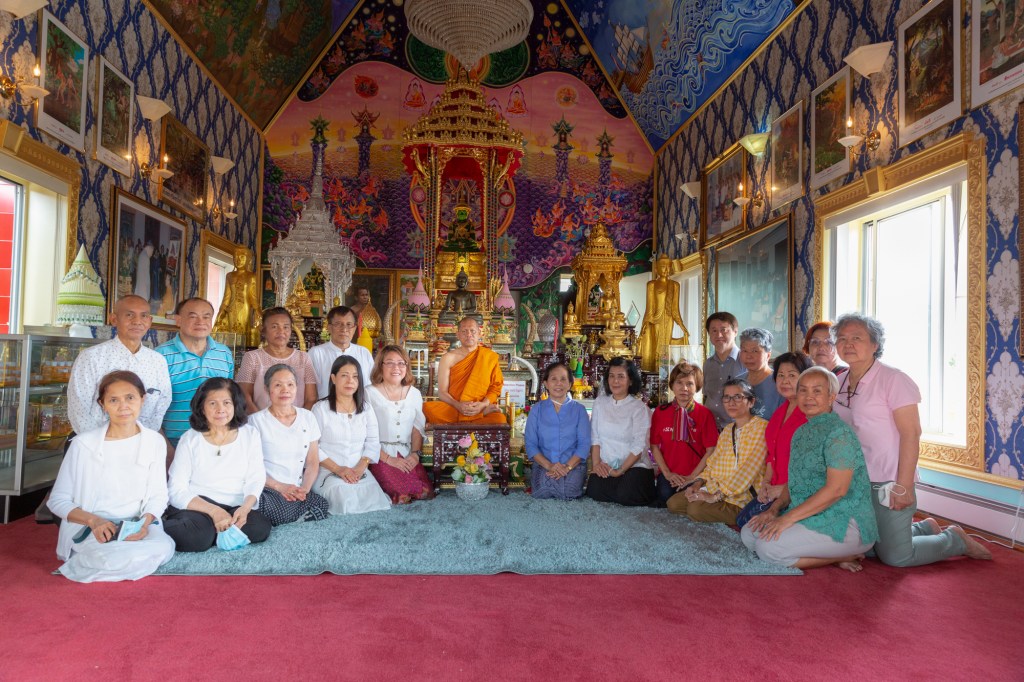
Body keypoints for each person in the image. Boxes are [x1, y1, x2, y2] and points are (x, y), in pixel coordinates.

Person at [832, 313, 991, 565]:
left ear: (875, 344)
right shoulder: (838, 381)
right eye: (842, 338)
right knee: (865, 546)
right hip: (853, 477)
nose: (848, 344)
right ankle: (924, 529)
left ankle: (954, 539)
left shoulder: (894, 379)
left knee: (896, 557)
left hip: (887, 477)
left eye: (857, 338)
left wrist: (904, 485)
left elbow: (911, 433)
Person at [741, 367, 879, 571]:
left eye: (817, 391)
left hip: (845, 521)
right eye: (803, 390)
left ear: (831, 396)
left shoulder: (839, 434)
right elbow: (794, 481)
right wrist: (774, 510)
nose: (808, 397)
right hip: (809, 513)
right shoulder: (801, 431)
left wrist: (786, 519)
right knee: (749, 534)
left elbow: (837, 490)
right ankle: (834, 555)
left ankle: (846, 554)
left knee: (767, 549)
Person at [47, 371, 175, 582]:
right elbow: (57, 501)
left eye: (130, 398)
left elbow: (158, 496)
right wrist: (94, 521)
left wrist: (145, 524)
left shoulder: (155, 442)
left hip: (136, 526)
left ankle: (122, 559)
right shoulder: (83, 444)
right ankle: (114, 560)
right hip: (92, 528)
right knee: (112, 558)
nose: (123, 406)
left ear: (142, 399)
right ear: (103, 404)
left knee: (164, 546)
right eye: (114, 400)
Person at [165, 378, 271, 550]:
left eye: (227, 403)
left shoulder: (250, 435)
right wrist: (215, 512)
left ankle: (213, 531)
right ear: (202, 407)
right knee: (197, 537)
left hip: (235, 505)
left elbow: (256, 478)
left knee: (259, 528)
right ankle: (209, 531)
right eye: (212, 403)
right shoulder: (189, 439)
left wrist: (245, 508)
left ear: (235, 405)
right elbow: (176, 489)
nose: (220, 409)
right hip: (197, 504)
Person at [67, 295, 172, 436]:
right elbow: (78, 407)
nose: (137, 321)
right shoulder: (91, 357)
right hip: (99, 442)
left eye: (144, 316)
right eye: (129, 315)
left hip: (143, 441)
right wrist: (101, 442)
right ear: (114, 319)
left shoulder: (158, 360)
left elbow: (163, 402)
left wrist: (144, 438)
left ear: (150, 321)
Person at [667, 379, 767, 524]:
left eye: (737, 397)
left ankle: (739, 515)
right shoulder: (728, 430)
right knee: (674, 504)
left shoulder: (762, 428)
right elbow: (712, 463)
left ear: (751, 402)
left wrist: (715, 497)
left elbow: (746, 471)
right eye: (727, 397)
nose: (731, 403)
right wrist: (698, 483)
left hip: (741, 496)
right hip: (715, 487)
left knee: (695, 510)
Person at [735, 351, 813, 527]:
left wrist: (785, 488)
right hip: (773, 488)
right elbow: (772, 456)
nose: (785, 381)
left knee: (754, 530)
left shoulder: (810, 414)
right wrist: (765, 483)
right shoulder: (778, 413)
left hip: (797, 491)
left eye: (792, 375)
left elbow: (812, 464)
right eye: (780, 375)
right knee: (743, 522)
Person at [249, 365, 331, 525]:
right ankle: (295, 516)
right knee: (268, 506)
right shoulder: (255, 421)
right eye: (278, 385)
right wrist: (280, 487)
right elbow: (251, 468)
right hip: (268, 488)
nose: (285, 390)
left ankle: (291, 513)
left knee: (322, 503)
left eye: (290, 384)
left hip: (297, 488)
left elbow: (312, 461)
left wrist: (304, 490)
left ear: (296, 388)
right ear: (267, 389)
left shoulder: (308, 417)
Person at [312, 356, 391, 514]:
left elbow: (373, 442)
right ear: (333, 378)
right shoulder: (320, 409)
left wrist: (360, 468)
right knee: (344, 498)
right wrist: (339, 469)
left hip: (358, 471)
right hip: (328, 471)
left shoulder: (366, 409)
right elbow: (313, 447)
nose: (350, 381)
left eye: (355, 377)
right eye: (344, 375)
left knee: (375, 499)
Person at [156, 298, 234, 446]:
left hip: (216, 440)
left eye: (206, 317)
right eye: (193, 316)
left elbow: (229, 397)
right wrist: (165, 447)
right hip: (174, 440)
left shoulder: (224, 353)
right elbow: (151, 407)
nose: (200, 322)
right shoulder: (161, 355)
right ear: (178, 320)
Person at [365, 345, 434, 504]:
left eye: (401, 363)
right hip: (380, 454)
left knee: (424, 492)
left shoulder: (414, 393)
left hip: (405, 452)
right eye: (390, 363)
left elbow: (417, 428)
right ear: (380, 366)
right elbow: (363, 432)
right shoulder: (369, 393)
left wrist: (415, 454)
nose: (396, 367)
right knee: (401, 495)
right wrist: (388, 459)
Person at [586, 358, 654, 506]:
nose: (615, 381)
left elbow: (639, 445)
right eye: (611, 376)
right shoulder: (600, 403)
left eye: (621, 376)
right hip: (606, 465)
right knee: (594, 491)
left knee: (625, 494)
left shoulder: (639, 408)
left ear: (630, 381)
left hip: (634, 466)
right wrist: (597, 464)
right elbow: (595, 437)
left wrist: (620, 471)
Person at [650, 362, 719, 506]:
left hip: (696, 475)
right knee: (664, 496)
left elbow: (711, 450)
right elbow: (654, 446)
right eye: (679, 383)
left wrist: (692, 477)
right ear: (672, 385)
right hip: (670, 474)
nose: (684, 388)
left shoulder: (705, 414)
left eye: (690, 384)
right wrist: (667, 473)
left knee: (689, 500)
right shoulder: (660, 412)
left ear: (697, 386)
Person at [524, 362, 591, 500]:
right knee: (543, 491)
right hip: (544, 465)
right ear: (546, 383)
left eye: (563, 379)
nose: (558, 383)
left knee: (569, 492)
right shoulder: (537, 409)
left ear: (570, 384)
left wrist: (567, 467)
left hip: (573, 465)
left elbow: (584, 445)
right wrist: (550, 466)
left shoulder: (579, 410)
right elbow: (530, 444)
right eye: (553, 379)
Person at [423, 317, 506, 424]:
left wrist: (483, 405)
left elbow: (495, 388)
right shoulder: (448, 358)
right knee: (426, 409)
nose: (469, 334)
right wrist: (458, 405)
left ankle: (475, 415)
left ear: (479, 333)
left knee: (499, 420)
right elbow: (442, 392)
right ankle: (478, 416)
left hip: (480, 406)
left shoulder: (489, 357)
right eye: (464, 331)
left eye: (472, 331)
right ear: (458, 334)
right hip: (455, 407)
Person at [235, 307, 317, 413]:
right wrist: (261, 420)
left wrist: (300, 420)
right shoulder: (252, 357)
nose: (281, 331)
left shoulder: (303, 358)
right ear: (264, 330)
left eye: (286, 327)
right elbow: (245, 396)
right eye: (274, 327)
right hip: (260, 420)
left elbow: (311, 398)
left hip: (296, 421)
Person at [637, 255, 689, 372]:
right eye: (663, 266)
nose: (666, 269)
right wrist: (645, 324)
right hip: (656, 319)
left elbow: (675, 309)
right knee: (657, 345)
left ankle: (664, 371)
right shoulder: (652, 285)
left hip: (669, 318)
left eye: (668, 266)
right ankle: (655, 371)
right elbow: (649, 308)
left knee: (666, 345)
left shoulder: (675, 285)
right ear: (656, 269)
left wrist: (682, 326)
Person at [308, 305, 374, 397]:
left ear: (354, 328)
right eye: (338, 324)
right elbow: (309, 391)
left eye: (349, 324)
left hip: (359, 405)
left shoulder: (364, 353)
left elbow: (372, 387)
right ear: (329, 327)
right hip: (325, 405)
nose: (344, 329)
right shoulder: (316, 353)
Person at [702, 311, 746, 430]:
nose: (719, 335)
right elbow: (707, 396)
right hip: (710, 428)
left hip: (738, 429)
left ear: (735, 332)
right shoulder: (708, 364)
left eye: (724, 330)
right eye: (714, 331)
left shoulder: (745, 360)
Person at [212, 247, 263, 347]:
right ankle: (231, 352)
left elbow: (253, 297)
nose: (238, 260)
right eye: (235, 257)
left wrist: (258, 311)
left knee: (243, 332)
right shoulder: (229, 276)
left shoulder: (251, 276)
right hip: (231, 309)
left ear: (249, 260)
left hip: (245, 308)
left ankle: (242, 351)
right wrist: (221, 310)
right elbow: (226, 297)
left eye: (242, 257)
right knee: (231, 333)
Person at [739, 327, 783, 419]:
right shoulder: (737, 382)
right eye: (745, 350)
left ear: (768, 355)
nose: (749, 356)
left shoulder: (779, 382)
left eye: (755, 351)